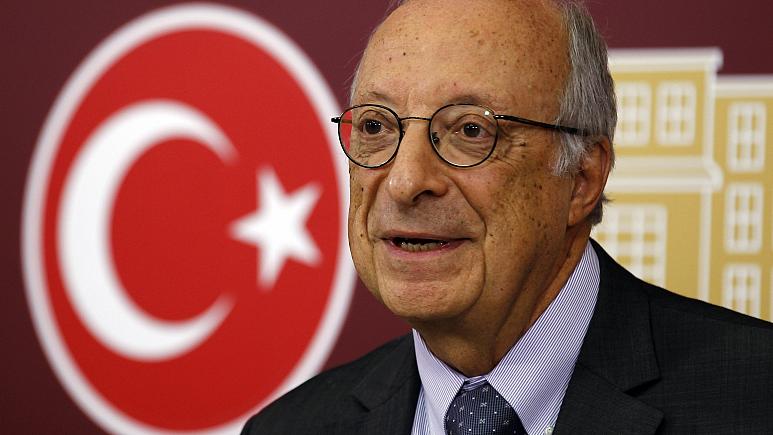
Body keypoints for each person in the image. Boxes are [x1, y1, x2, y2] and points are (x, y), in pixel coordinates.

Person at [242, 0, 773, 433]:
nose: (404, 182)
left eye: (470, 131)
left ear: (582, 178)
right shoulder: (292, 427)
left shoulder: (753, 399)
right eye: (376, 128)